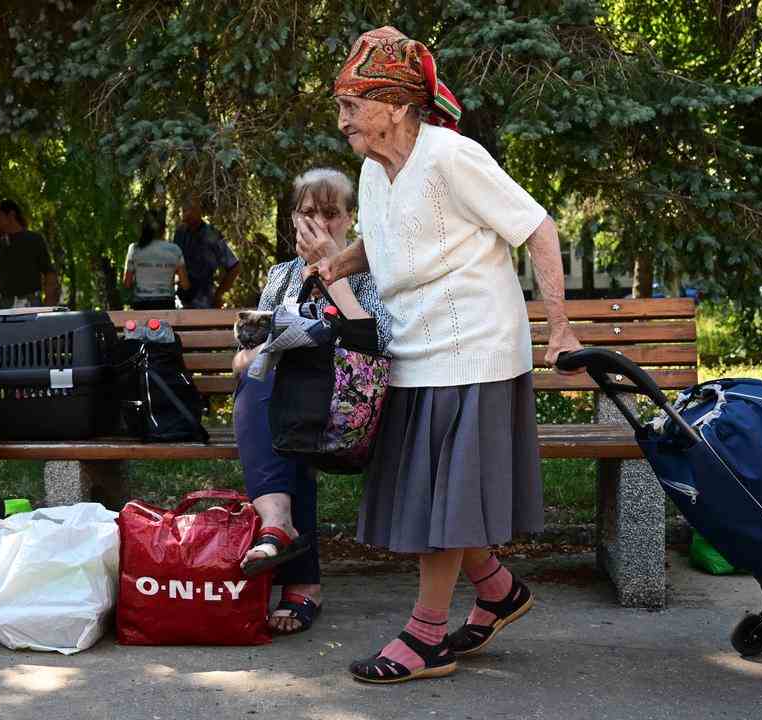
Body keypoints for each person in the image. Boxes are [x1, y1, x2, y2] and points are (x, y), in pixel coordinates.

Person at [310, 26, 583, 684]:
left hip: (473, 350)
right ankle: (497, 590)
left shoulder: (451, 158)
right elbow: (387, 243)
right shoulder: (374, 171)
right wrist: (330, 265)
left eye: (353, 103)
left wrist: (560, 329)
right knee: (441, 492)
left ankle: (426, 637)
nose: (341, 117)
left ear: (398, 108)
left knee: (442, 501)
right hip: (414, 349)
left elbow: (537, 227)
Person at [232, 168, 393, 635]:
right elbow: (245, 355)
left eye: (331, 213)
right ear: (293, 219)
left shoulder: (372, 271)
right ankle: (282, 533)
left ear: (350, 220)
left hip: (351, 412)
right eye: (308, 213)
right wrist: (254, 353)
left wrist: (333, 267)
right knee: (266, 383)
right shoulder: (281, 275)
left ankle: (290, 556)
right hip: (293, 411)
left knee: (281, 404)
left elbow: (377, 342)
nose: (319, 223)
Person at [0, 199, 60, 310]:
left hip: (31, 305)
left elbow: (49, 274)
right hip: (4, 307)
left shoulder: (34, 239)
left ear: (11, 215)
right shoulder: (0, 245)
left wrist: (48, 306)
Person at [173, 193, 240, 308]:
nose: (186, 215)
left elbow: (234, 267)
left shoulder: (211, 235)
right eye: (184, 210)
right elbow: (172, 265)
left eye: (190, 210)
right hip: (180, 300)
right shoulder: (180, 234)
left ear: (199, 211)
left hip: (204, 301)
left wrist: (218, 295)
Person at [123, 207, 188, 311]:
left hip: (141, 305)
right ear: (163, 229)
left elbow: (127, 283)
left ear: (143, 228)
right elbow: (185, 284)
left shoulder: (134, 249)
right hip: (166, 305)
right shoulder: (175, 250)